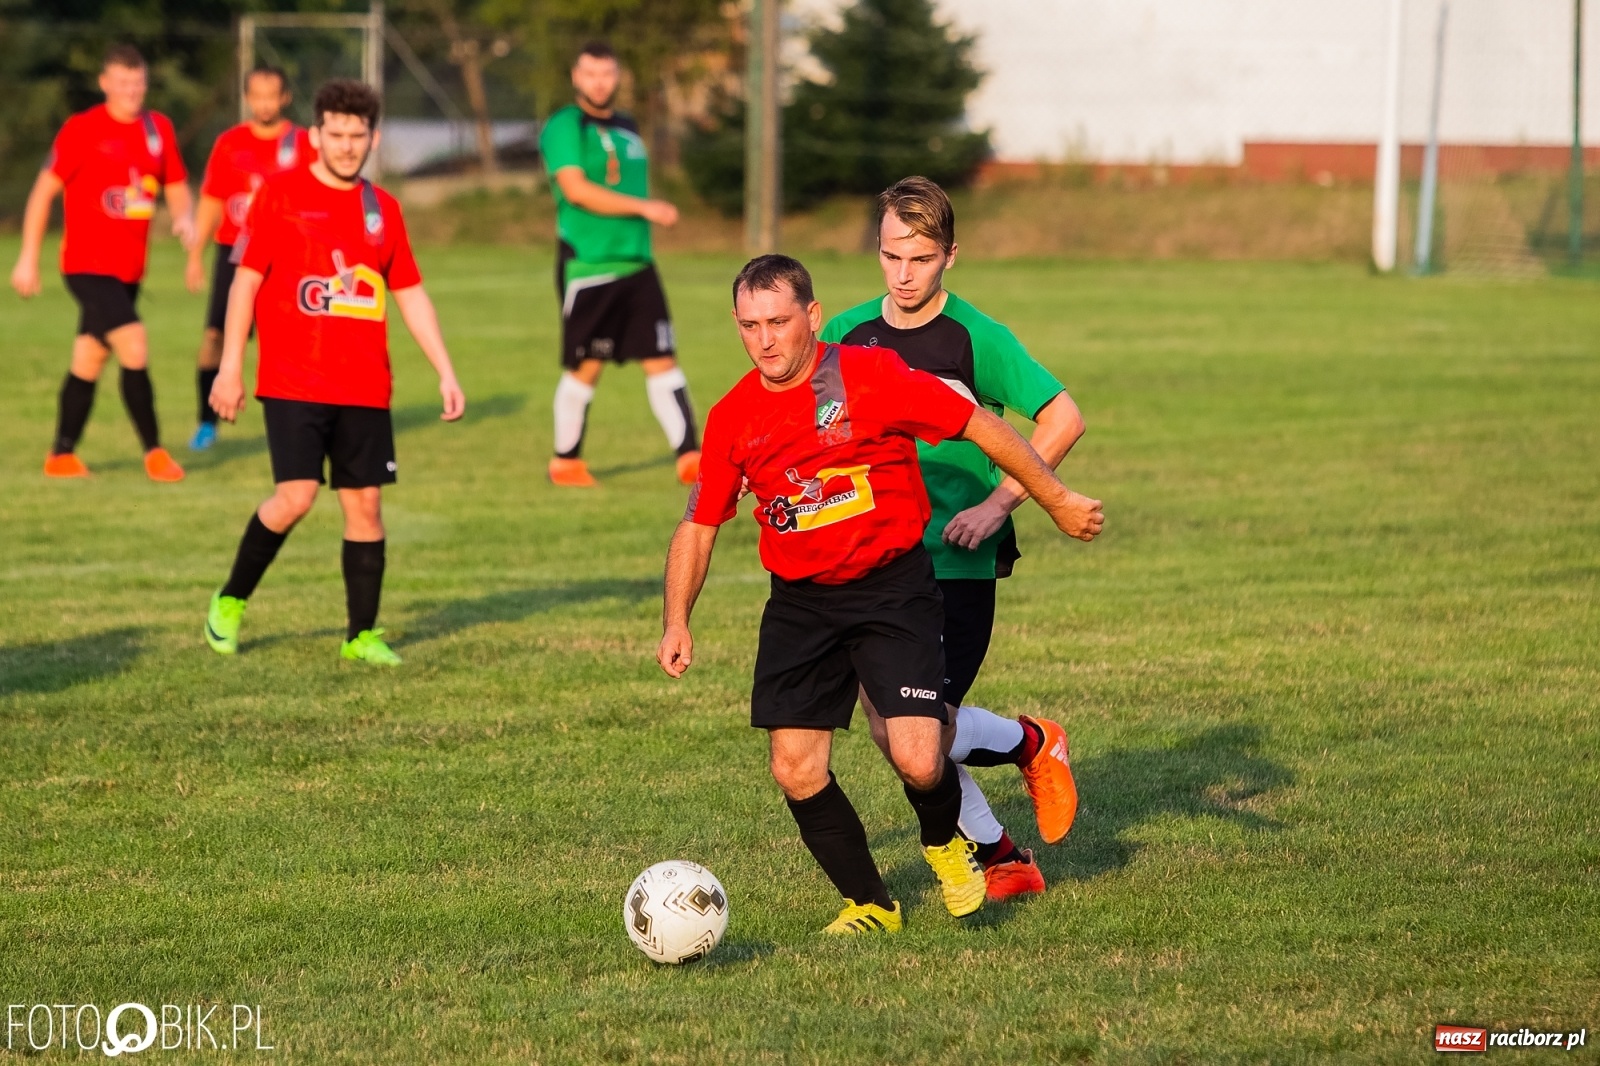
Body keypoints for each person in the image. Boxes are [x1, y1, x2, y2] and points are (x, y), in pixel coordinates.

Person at [658, 254, 1104, 934]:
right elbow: (698, 524)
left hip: (891, 589)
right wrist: (676, 620)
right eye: (750, 326)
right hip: (801, 604)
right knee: (795, 769)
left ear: (812, 316)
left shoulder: (870, 375)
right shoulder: (732, 417)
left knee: (919, 756)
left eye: (779, 321)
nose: (766, 340)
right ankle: (871, 903)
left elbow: (981, 426)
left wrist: (1057, 499)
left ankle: (943, 842)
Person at [822, 176, 1087, 903]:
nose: (904, 274)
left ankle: (1030, 748)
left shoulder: (976, 337)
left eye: (922, 258)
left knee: (924, 729)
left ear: (951, 256)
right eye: (891, 256)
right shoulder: (845, 333)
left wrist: (1001, 503)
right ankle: (1005, 853)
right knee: (895, 733)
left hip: (955, 561)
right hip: (875, 560)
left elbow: (1063, 418)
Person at [204, 79, 466, 666]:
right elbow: (245, 282)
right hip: (292, 381)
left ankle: (360, 636)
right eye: (337, 134)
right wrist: (229, 368)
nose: (347, 145)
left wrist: (445, 371)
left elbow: (409, 292)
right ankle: (230, 599)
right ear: (316, 135)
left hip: (365, 386)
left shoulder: (383, 210)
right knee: (295, 497)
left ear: (373, 139)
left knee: (365, 506)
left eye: (357, 135)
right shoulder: (280, 194)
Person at [9, 43, 194, 482]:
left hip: (129, 270)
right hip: (86, 266)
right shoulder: (83, 129)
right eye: (123, 82)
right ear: (104, 83)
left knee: (89, 358)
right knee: (134, 343)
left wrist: (184, 216)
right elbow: (43, 193)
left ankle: (61, 455)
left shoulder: (158, 129)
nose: (132, 91)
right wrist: (28, 259)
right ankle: (155, 453)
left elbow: (176, 183)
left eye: (138, 82)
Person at [539, 40, 700, 488]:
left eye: (607, 73)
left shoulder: (628, 125)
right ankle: (565, 463)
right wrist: (644, 208)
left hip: (638, 263)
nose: (599, 82)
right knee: (587, 365)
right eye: (590, 73)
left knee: (662, 358)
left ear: (617, 77)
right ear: (576, 76)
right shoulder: (565, 124)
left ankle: (690, 458)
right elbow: (575, 189)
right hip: (591, 265)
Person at [184, 65, 313, 451]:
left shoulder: (303, 143)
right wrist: (195, 255)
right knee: (214, 337)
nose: (264, 104)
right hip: (234, 253)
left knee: (292, 343)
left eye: (271, 96)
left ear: (285, 97)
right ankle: (207, 423)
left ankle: (300, 423)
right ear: (246, 98)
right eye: (257, 96)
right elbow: (211, 199)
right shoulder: (230, 143)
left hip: (286, 256)